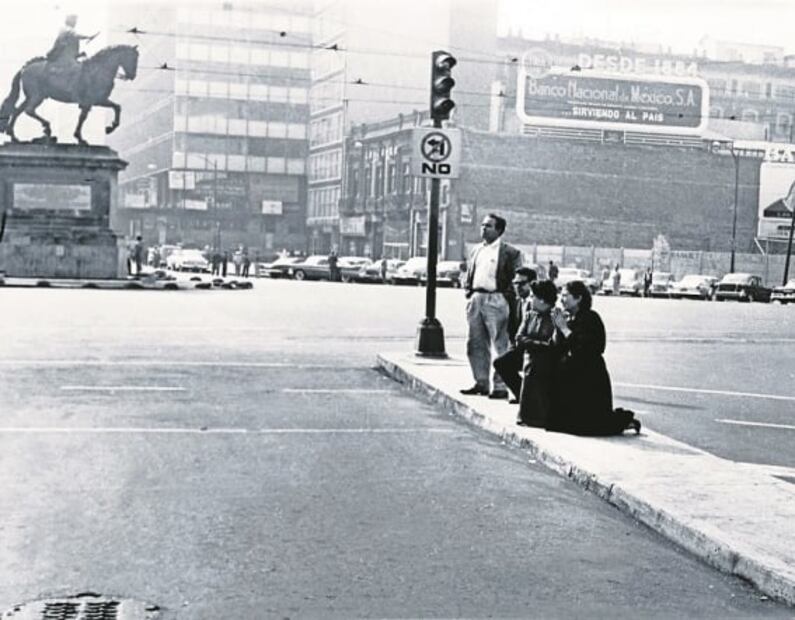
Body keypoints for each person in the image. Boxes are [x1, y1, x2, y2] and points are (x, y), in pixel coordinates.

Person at [548, 281, 640, 436]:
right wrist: (557, 328)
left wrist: (564, 328)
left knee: (589, 427)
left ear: (578, 298)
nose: (561, 299)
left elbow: (585, 349)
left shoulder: (590, 318)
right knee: (559, 424)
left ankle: (625, 420)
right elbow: (558, 347)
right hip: (570, 377)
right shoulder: (569, 318)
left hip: (588, 377)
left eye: (565, 296)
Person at [460, 213, 523, 399]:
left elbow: (516, 278)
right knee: (476, 343)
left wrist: (506, 298)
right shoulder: (477, 250)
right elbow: (470, 272)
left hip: (496, 298)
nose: (483, 228)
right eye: (482, 225)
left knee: (500, 343)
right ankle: (481, 382)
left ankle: (500, 385)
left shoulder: (509, 252)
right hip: (477, 298)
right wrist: (469, 291)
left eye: (488, 226)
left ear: (499, 230)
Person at [516, 280, 560, 427]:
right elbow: (519, 338)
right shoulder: (530, 315)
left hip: (546, 361)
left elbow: (554, 344)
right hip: (531, 358)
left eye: (533, 296)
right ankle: (526, 415)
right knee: (528, 377)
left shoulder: (555, 317)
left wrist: (532, 343)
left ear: (542, 299)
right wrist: (540, 344)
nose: (530, 299)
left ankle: (539, 417)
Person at [493, 266, 538, 403]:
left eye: (522, 284)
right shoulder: (516, 302)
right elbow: (512, 328)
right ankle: (522, 395)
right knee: (501, 364)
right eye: (515, 283)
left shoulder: (537, 303)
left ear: (532, 283)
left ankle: (527, 397)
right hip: (520, 347)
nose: (518, 287)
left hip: (534, 348)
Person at [45, 15, 97, 93]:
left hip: (69, 56)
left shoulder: (67, 29)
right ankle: (73, 89)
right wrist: (88, 37)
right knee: (79, 70)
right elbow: (75, 35)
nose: (75, 22)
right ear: (70, 21)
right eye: (74, 21)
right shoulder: (66, 29)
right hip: (63, 57)